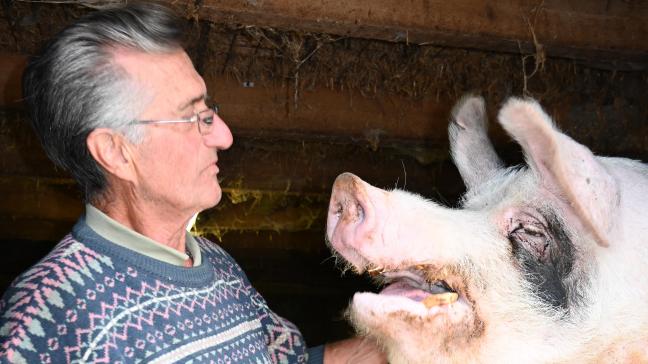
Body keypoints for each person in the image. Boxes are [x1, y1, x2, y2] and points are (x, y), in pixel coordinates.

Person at [0, 2, 386, 363]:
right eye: (193, 117)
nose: (224, 136)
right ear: (116, 153)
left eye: (210, 110)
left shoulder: (214, 262)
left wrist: (422, 338)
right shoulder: (49, 320)